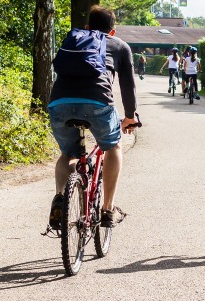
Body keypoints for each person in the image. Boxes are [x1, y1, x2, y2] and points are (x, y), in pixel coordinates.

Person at [47, 5, 138, 230]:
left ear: (87, 27)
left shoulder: (74, 40)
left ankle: (60, 197)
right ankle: (108, 209)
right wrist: (129, 117)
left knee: (67, 154)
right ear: (112, 31)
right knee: (113, 147)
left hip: (59, 102)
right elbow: (128, 85)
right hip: (98, 103)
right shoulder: (119, 45)